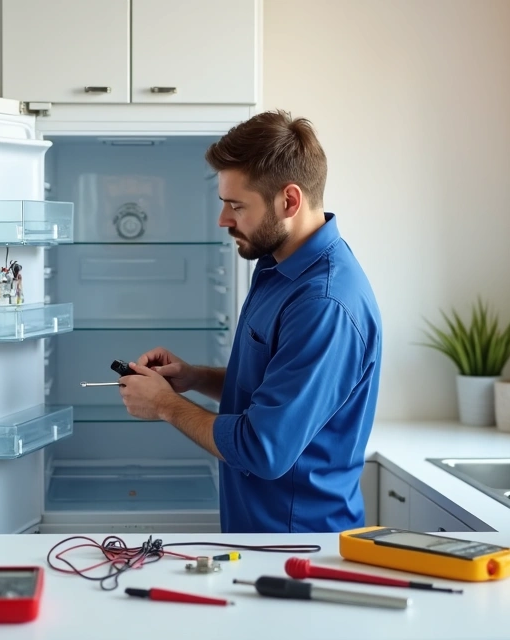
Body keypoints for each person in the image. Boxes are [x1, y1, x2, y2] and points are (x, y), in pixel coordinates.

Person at [117, 110, 383, 534]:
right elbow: (273, 386)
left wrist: (164, 405)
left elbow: (264, 449)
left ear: (289, 201)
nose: (223, 220)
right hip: (259, 533)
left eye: (236, 205)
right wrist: (193, 377)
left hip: (299, 543)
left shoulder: (324, 303)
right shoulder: (277, 264)